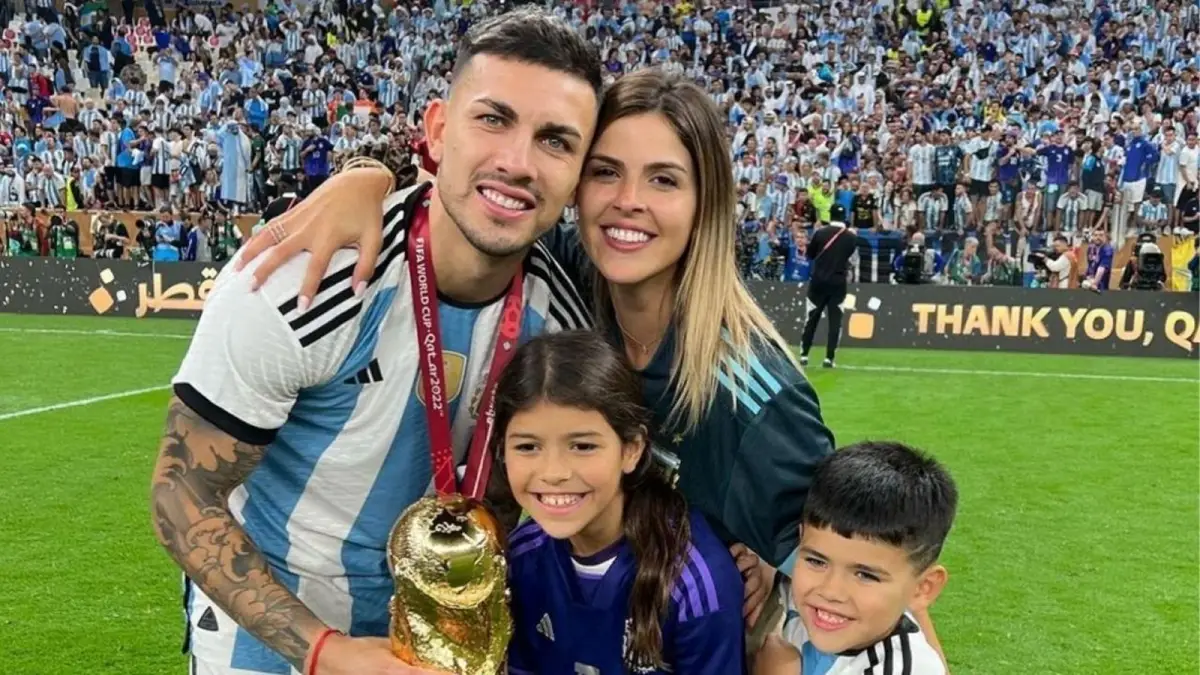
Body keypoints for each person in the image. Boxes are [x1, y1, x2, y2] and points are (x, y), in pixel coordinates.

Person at [240, 69, 840, 632]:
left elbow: (853, 574)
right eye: (605, 172)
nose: (628, 200)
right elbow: (461, 196)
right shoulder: (568, 274)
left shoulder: (758, 400)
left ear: (706, 201)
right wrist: (365, 178)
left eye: (664, 179)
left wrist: (777, 576)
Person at [149, 10, 601, 675]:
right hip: (271, 645)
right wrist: (325, 652)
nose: (517, 162)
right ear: (438, 130)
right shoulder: (302, 280)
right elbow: (180, 494)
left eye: (555, 141)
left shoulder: (562, 325)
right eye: (492, 119)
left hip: (434, 645)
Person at [497, 331, 745, 673]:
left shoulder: (694, 582)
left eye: (583, 446)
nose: (553, 473)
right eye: (528, 447)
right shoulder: (519, 557)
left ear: (631, 449)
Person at [754, 441, 956, 674]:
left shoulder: (905, 668)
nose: (830, 591)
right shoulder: (798, 588)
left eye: (865, 575)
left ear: (922, 588)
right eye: (817, 561)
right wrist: (760, 560)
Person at [798, 204, 857, 369]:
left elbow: (810, 254)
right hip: (838, 282)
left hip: (818, 281)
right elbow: (849, 256)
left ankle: (804, 354)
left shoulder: (820, 233)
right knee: (835, 321)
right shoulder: (851, 237)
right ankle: (829, 358)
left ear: (830, 215)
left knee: (811, 318)